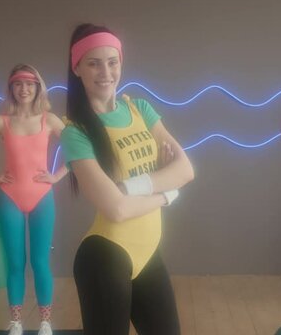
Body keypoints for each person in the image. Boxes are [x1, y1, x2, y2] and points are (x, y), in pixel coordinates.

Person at [60, 23, 194, 335]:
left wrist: (131, 187)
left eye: (112, 61)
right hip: (104, 258)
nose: (105, 71)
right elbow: (116, 210)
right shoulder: (76, 131)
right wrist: (168, 193)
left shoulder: (141, 109)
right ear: (77, 67)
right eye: (93, 63)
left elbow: (186, 169)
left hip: (149, 253)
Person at [0, 64, 68, 335]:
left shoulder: (49, 120)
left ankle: (45, 321)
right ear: (11, 88)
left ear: (37, 87)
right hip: (10, 196)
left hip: (42, 197)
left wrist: (57, 176)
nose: (24, 89)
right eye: (18, 84)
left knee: (40, 262)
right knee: (15, 263)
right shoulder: (2, 122)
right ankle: (16, 322)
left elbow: (79, 148)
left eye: (30, 84)